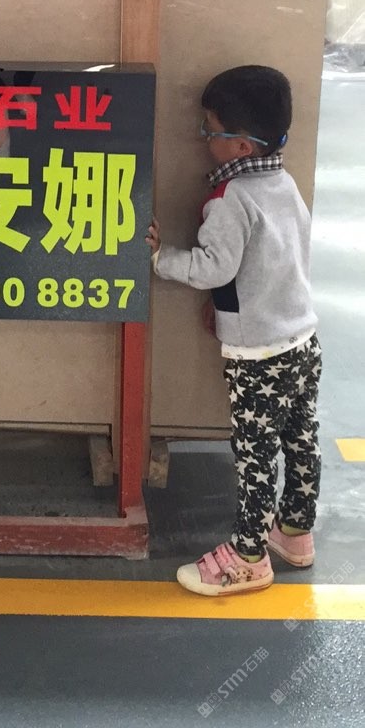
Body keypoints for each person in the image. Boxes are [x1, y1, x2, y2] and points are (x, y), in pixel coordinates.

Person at [147, 65, 321, 598]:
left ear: (241, 146)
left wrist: (159, 257)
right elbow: (267, 265)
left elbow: (212, 268)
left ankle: (248, 556)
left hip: (259, 355)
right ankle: (295, 532)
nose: (204, 138)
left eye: (209, 129)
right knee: (301, 440)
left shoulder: (231, 199)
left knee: (253, 456)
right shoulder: (283, 183)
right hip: (302, 339)